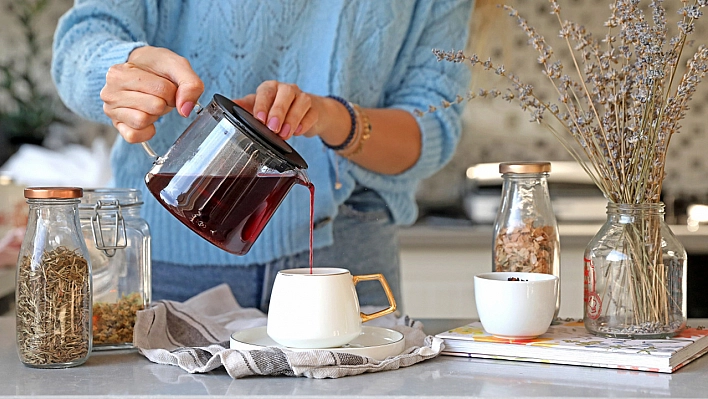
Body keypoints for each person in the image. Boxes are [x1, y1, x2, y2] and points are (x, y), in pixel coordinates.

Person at [51, 0, 473, 312]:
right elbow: (82, 41)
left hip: (344, 257)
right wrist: (124, 67)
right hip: (168, 257)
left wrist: (331, 117)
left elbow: (432, 126)